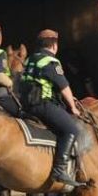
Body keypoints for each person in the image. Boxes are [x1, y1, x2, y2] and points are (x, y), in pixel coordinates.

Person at [20, 29, 82, 187]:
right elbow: (64, 86)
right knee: (71, 129)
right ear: (54, 45)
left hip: (26, 106)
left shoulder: (29, 60)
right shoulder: (50, 61)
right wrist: (73, 107)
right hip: (42, 105)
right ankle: (59, 169)